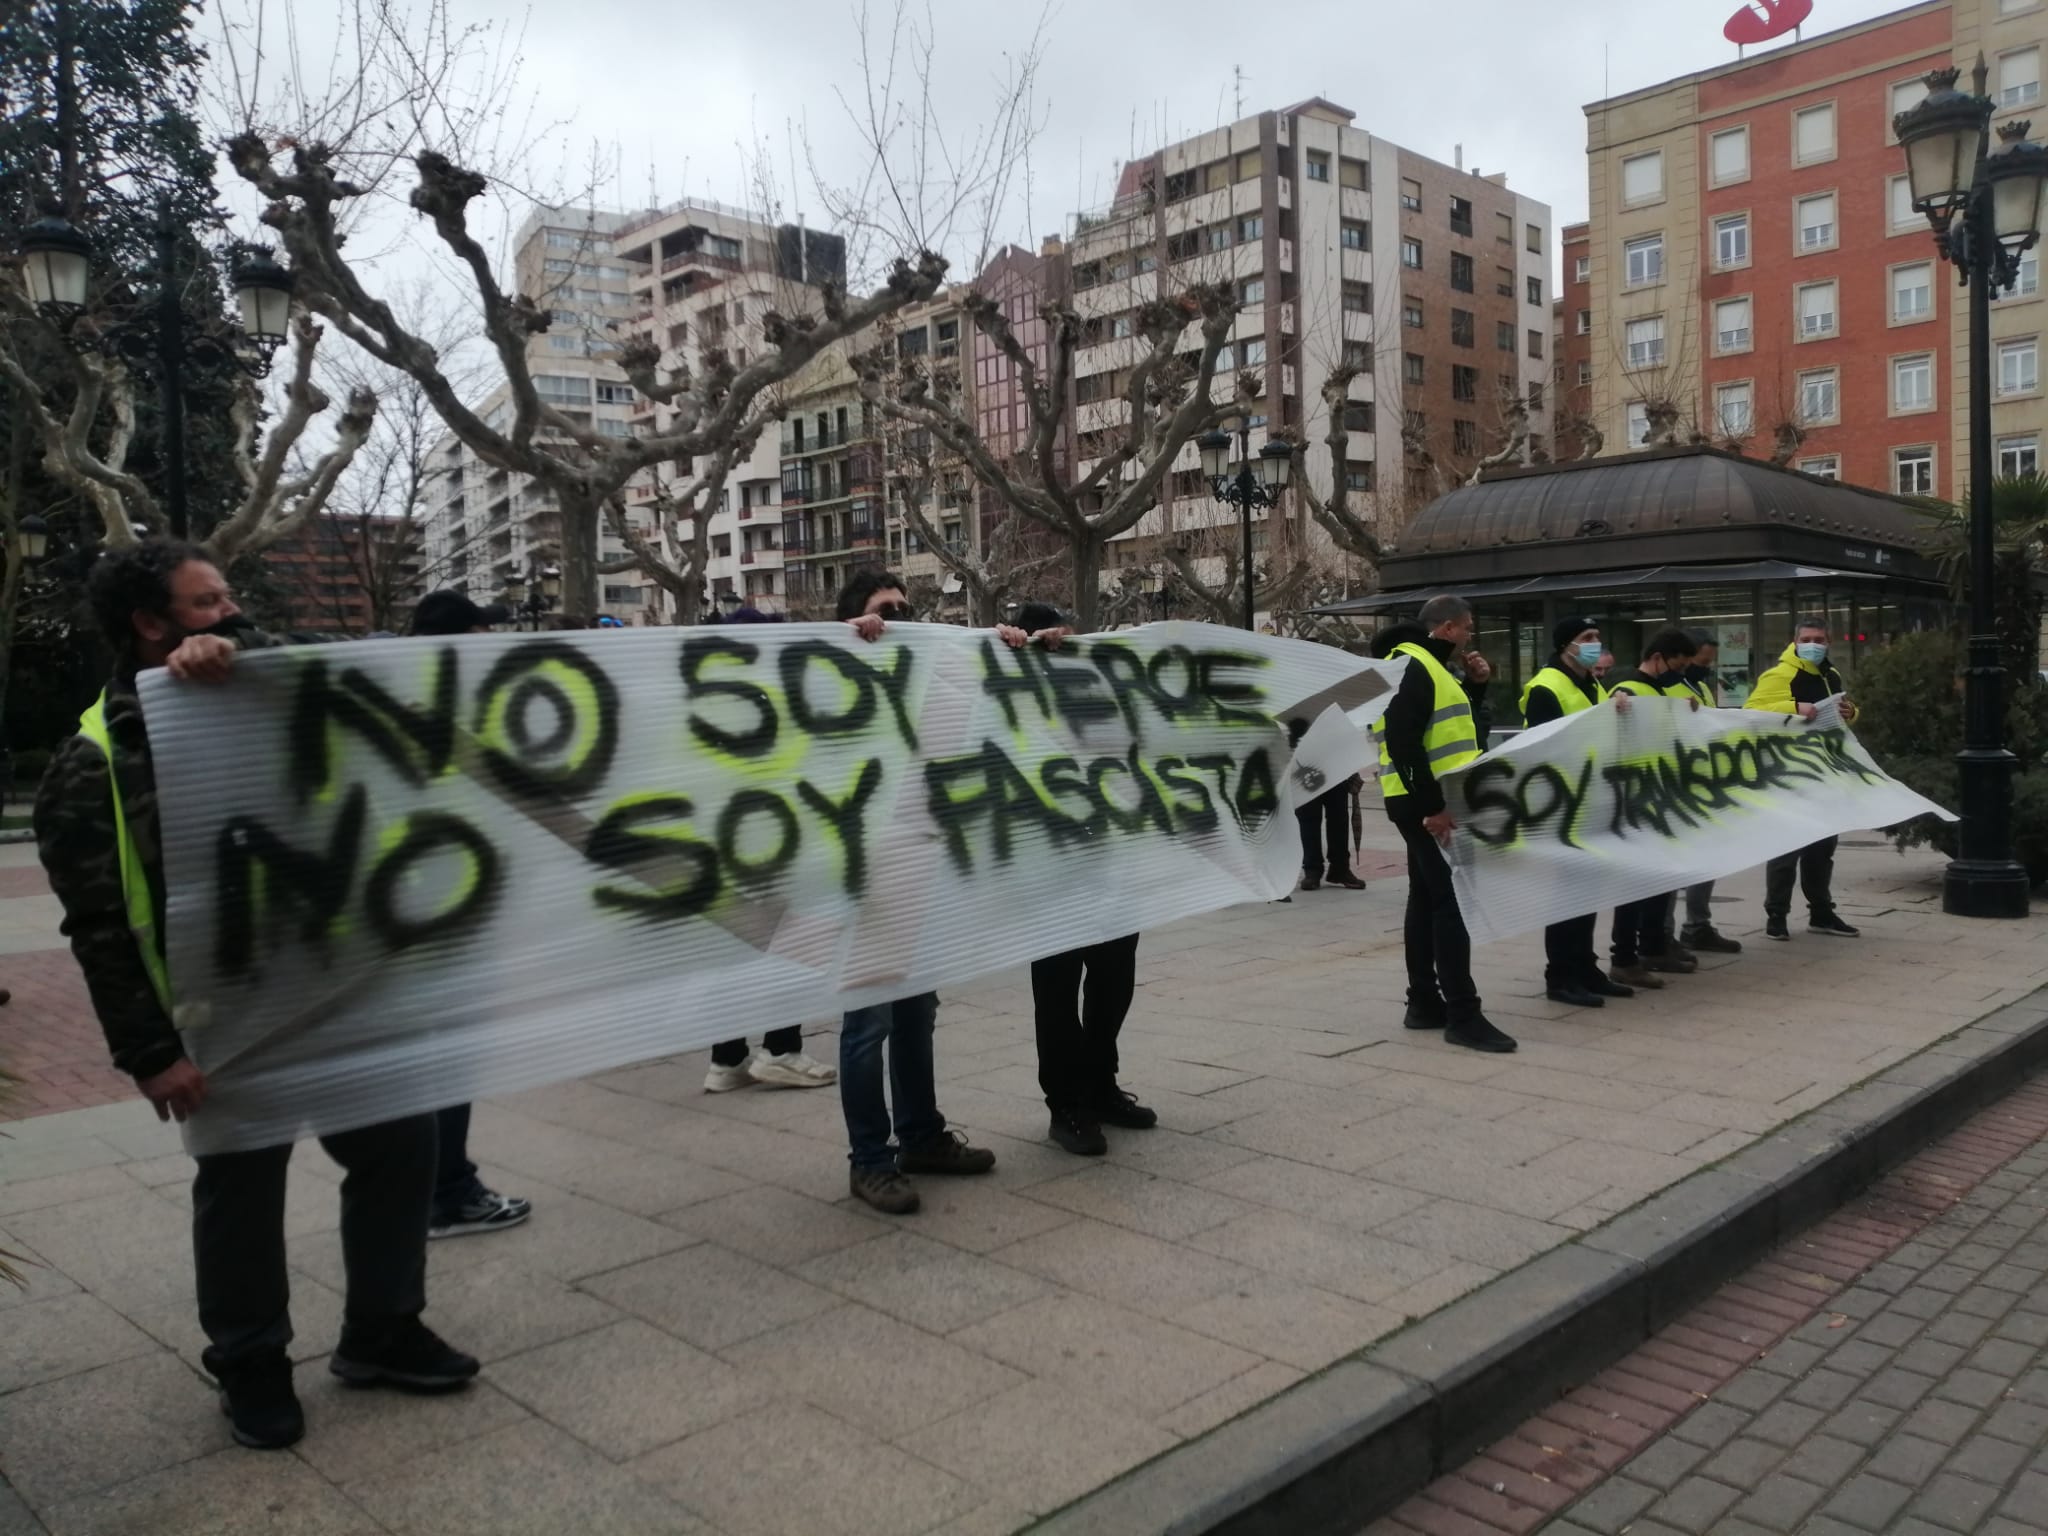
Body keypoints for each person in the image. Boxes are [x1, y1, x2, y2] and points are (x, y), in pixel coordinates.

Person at [36, 542, 477, 1452]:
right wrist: (151, 1053)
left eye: (231, 597)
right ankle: (250, 1361)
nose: (231, 615)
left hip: (342, 993)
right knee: (241, 1186)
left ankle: (382, 1332)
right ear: (149, 625)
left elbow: (334, 652)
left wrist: (246, 649)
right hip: (220, 1016)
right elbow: (100, 927)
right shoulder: (94, 760)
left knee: (403, 1146)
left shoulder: (274, 682)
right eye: (207, 604)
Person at [834, 570, 996, 1214]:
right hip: (860, 875)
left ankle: (921, 1135)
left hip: (917, 868)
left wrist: (1010, 644)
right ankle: (869, 1160)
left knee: (915, 1012)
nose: (898, 618)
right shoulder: (834, 669)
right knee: (867, 1022)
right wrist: (844, 643)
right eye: (884, 610)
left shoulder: (920, 671)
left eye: (905, 609)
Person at [1004, 601, 1160, 1155]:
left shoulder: (1094, 690)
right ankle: (1065, 1104)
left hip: (1110, 865)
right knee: (1057, 995)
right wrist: (999, 649)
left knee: (1114, 983)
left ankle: (1100, 1085)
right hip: (1045, 875)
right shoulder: (1004, 695)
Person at [404, 591, 536, 1239]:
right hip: (436, 923)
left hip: (444, 915)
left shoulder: (429, 701)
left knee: (441, 1063)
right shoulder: (434, 706)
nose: (496, 642)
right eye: (486, 630)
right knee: (447, 1063)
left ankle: (435, 1186)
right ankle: (446, 1192)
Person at [696, 604, 840, 1095]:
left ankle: (727, 1058)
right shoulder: (762, 696)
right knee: (794, 942)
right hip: (768, 842)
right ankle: (781, 1049)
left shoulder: (703, 694)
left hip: (722, 844)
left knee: (730, 952)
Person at [1370, 594, 1517, 1054]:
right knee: (1451, 904)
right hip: (1426, 805)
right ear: (1448, 628)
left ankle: (1424, 1003)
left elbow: (1453, 730)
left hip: (1423, 801)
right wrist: (1433, 806)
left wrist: (1475, 688)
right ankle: (1462, 1014)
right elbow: (1402, 741)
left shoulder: (1430, 668)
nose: (1470, 636)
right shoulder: (1411, 665)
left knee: (1427, 898)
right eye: (1467, 628)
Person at [1521, 616, 1636, 1009]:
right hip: (1563, 806)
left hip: (1593, 800)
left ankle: (1586, 968)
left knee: (1588, 890)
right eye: (1587, 638)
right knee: (1566, 893)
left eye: (1597, 638)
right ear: (1566, 645)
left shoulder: (1591, 683)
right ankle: (1561, 976)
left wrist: (1618, 710)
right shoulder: (1545, 687)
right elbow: (1544, 751)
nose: (1594, 645)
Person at [1747, 617, 1862, 942]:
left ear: (1829, 642)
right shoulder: (1780, 674)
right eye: (1808, 638)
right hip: (1789, 772)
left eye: (1820, 639)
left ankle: (1821, 913)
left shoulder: (1831, 674)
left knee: (1822, 849)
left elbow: (1843, 710)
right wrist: (1794, 706)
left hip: (1825, 771)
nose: (1814, 644)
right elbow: (1753, 709)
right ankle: (1776, 916)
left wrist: (1850, 712)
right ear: (1795, 641)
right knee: (1786, 848)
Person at [1604, 628, 1704, 989]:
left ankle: (1652, 945)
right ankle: (1625, 957)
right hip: (1635, 799)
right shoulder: (1629, 688)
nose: (1679, 672)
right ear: (1659, 657)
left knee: (1658, 880)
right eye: (1676, 664)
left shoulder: (1661, 690)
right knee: (1635, 883)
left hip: (1657, 796)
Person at [1672, 630, 1742, 955]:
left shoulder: (1699, 686)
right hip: (1677, 786)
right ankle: (1662, 934)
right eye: (1701, 661)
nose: (1705, 668)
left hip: (1704, 783)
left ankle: (1697, 926)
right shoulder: (1668, 687)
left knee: (1707, 859)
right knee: (1674, 865)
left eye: (1710, 662)